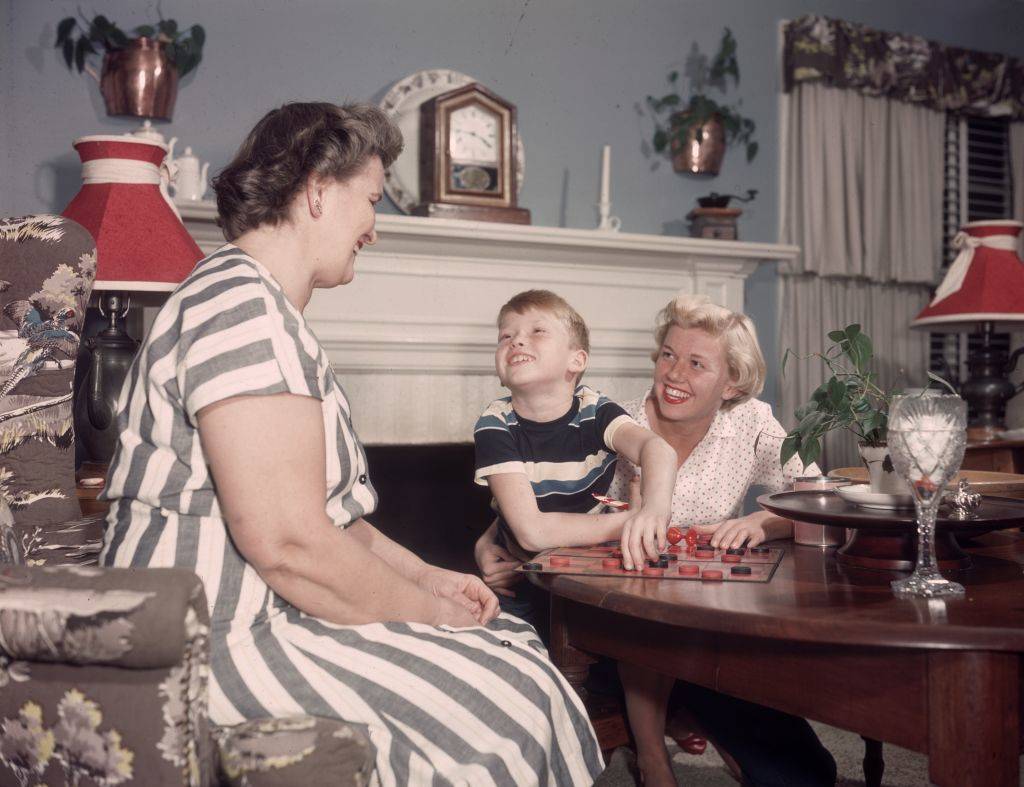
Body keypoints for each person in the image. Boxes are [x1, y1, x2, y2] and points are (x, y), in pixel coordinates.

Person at [99, 102, 604, 786]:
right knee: (503, 702)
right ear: (316, 191)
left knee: (510, 644)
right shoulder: (239, 309)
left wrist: (430, 578)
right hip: (212, 639)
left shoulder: (263, 310)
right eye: (369, 199)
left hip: (266, 613)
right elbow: (291, 543)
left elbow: (331, 522)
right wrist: (428, 613)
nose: (373, 225)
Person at [476, 293, 836, 787]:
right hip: (622, 622)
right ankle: (653, 752)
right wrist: (489, 537)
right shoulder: (615, 420)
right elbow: (546, 499)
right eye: (668, 355)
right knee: (645, 626)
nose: (674, 373)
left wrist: (763, 523)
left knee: (808, 775)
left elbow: (817, 494)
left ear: (731, 382)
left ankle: (684, 710)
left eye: (695, 363)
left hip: (710, 619)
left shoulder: (752, 421)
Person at [473, 289, 677, 630]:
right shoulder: (494, 424)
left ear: (577, 361)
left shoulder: (594, 410)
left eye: (537, 331)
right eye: (505, 336)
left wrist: (656, 510)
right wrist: (633, 521)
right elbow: (532, 533)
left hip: (588, 574)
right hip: (519, 579)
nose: (517, 341)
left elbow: (657, 449)